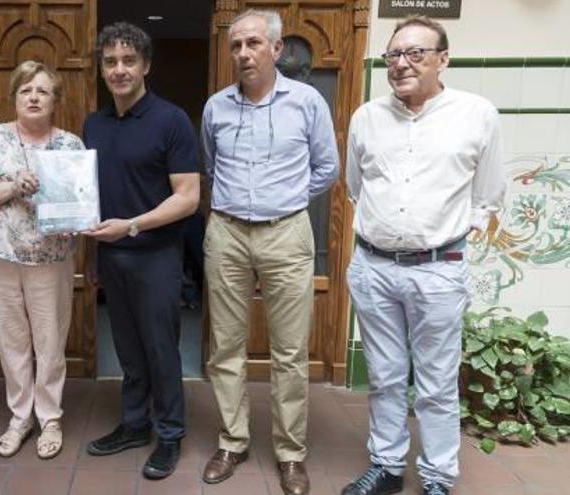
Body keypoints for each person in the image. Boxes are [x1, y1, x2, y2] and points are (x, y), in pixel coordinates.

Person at [341, 16, 505, 495]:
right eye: (393, 55)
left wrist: (443, 238)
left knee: (435, 384)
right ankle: (388, 468)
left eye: (416, 53)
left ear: (443, 59)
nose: (401, 64)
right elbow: (356, 188)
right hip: (373, 267)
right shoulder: (366, 117)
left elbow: (488, 195)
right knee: (386, 377)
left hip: (438, 271)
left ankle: (436, 478)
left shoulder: (477, 114)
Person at [200, 9, 339, 495]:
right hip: (227, 233)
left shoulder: (306, 103)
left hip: (286, 232)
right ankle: (232, 441)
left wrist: (287, 201)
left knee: (289, 351)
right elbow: (211, 168)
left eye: (253, 43)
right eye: (236, 45)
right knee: (226, 346)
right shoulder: (216, 106)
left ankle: (290, 453)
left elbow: (327, 167)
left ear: (276, 49)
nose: (243, 53)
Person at [81, 21, 200, 480]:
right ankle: (134, 424)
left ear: (146, 65)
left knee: (160, 350)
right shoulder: (94, 123)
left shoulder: (171, 120)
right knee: (127, 349)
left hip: (156, 256)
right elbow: (91, 196)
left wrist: (132, 226)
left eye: (129, 60)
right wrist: (92, 255)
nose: (119, 69)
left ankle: (169, 434)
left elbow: (187, 197)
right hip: (111, 257)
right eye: (110, 61)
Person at [0, 61, 84, 460]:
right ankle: (20, 417)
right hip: (1, 256)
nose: (33, 97)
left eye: (42, 91)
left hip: (51, 259)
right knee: (12, 339)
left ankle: (49, 416)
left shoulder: (70, 146)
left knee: (49, 341)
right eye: (26, 90)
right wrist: (13, 187)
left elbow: (82, 207)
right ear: (14, 96)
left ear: (55, 101)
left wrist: (75, 219)